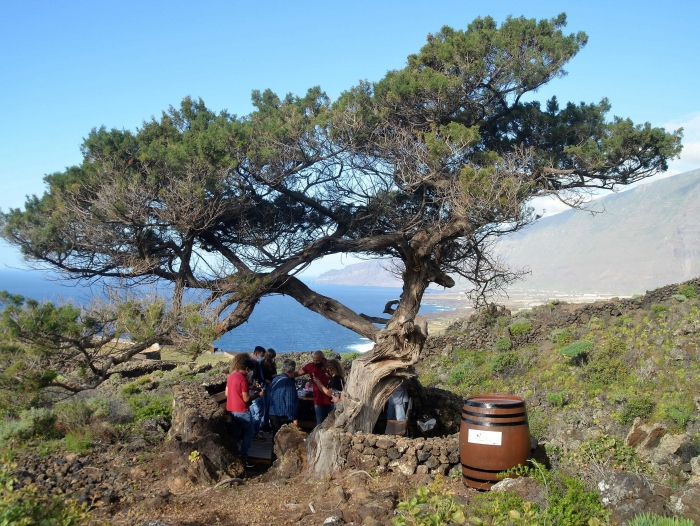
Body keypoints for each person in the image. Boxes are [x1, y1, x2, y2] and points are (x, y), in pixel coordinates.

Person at [226, 354, 262, 468]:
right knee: (249, 433)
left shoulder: (231, 376)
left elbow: (227, 393)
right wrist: (258, 395)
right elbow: (246, 398)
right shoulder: (243, 379)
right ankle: (244, 458)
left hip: (232, 410)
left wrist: (251, 388)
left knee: (235, 435)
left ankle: (234, 456)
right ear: (247, 369)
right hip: (242, 410)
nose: (250, 373)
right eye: (249, 371)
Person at [293, 350, 332, 425]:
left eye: (318, 361)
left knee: (333, 423)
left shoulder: (330, 366)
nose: (315, 363)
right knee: (320, 424)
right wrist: (284, 375)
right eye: (314, 360)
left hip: (331, 400)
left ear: (323, 359)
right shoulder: (310, 366)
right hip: (319, 401)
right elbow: (297, 373)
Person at [266, 358, 299, 437]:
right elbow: (290, 402)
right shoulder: (288, 383)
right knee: (285, 440)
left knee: (275, 439)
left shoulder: (275, 379)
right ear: (292, 370)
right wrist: (294, 418)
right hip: (283, 416)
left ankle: (274, 450)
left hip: (273, 413)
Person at [249, 346, 267, 440]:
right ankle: (255, 432)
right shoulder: (252, 364)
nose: (262, 357)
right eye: (262, 355)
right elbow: (252, 378)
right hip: (255, 391)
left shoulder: (256, 363)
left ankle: (253, 430)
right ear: (257, 353)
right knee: (259, 412)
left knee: (253, 412)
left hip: (255, 389)